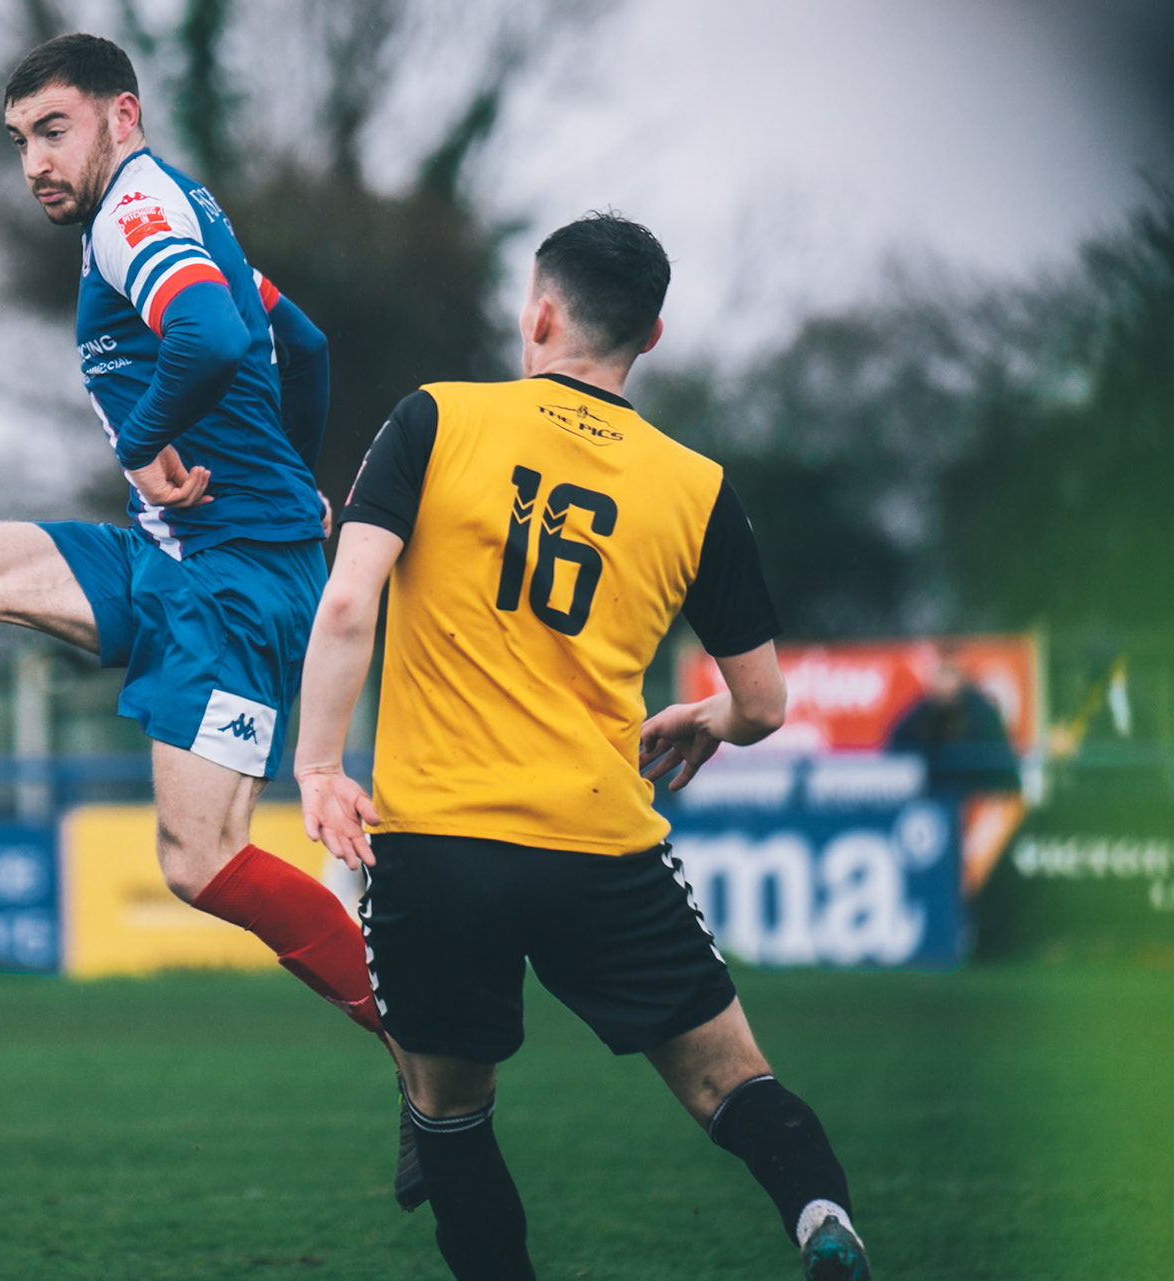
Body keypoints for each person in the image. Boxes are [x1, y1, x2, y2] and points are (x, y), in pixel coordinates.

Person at [0, 33, 386, 1057]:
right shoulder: (165, 209)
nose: (35, 163)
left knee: (201, 861)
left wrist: (144, 445)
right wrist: (293, 471)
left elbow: (213, 335)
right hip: (176, 556)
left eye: (54, 130)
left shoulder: (137, 211)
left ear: (123, 115)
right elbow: (302, 344)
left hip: (238, 580)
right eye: (20, 141)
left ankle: (415, 1035)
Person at [294, 215, 872, 1280]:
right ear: (650, 336)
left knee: (448, 1119)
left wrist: (321, 766)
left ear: (539, 315)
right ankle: (821, 1218)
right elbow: (764, 702)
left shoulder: (435, 418)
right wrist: (705, 719)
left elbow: (346, 605)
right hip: (601, 849)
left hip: (439, 844)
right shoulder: (696, 486)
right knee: (734, 1084)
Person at [888, 646, 1025, 894]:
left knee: (974, 879)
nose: (945, 681)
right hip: (934, 816)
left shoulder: (981, 712)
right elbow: (895, 755)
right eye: (940, 673)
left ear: (961, 674)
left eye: (951, 672)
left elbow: (1005, 776)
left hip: (978, 813)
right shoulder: (920, 715)